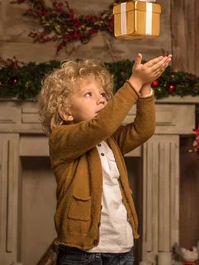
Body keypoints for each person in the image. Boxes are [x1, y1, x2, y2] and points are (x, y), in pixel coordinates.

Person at [38, 54, 171, 265]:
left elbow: (143, 129)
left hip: (122, 247)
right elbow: (102, 125)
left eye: (102, 93)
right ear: (65, 111)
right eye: (88, 94)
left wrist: (145, 87)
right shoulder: (62, 139)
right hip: (82, 252)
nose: (101, 98)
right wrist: (134, 82)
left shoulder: (111, 140)